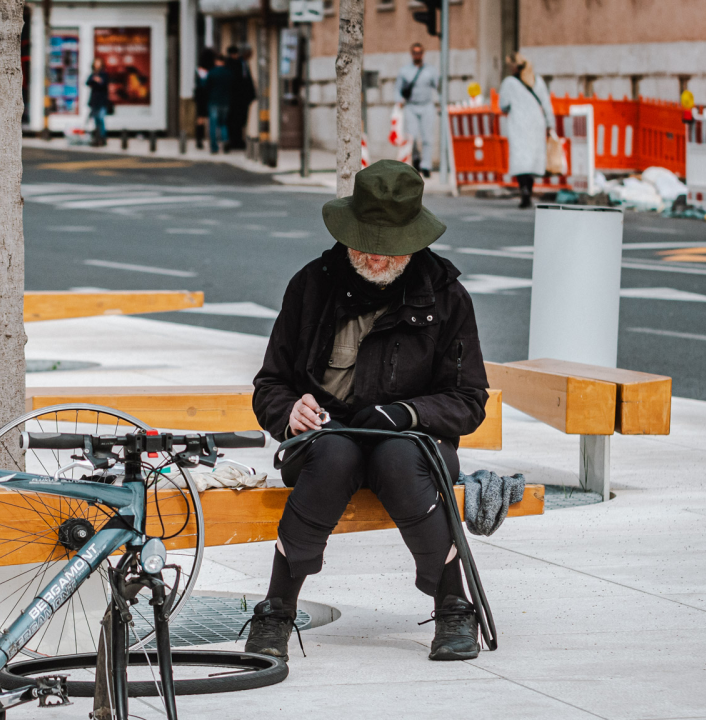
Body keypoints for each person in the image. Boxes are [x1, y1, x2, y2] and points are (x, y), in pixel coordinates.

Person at [243, 160, 490, 663]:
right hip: (325, 439)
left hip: (412, 440)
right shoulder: (312, 285)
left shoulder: (446, 297)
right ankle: (277, 612)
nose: (375, 259)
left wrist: (407, 414)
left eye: (389, 248)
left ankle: (453, 607)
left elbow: (469, 400)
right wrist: (291, 410)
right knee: (335, 457)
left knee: (397, 460)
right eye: (365, 245)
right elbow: (270, 383)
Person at [499, 52, 555, 208]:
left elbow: (503, 104)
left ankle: (523, 190)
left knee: (520, 159)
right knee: (531, 160)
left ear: (515, 67)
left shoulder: (509, 82)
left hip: (519, 124)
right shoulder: (538, 81)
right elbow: (546, 104)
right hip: (537, 124)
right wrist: (550, 125)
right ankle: (528, 190)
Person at [397, 43, 439, 177]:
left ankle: (426, 165)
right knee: (412, 137)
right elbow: (397, 88)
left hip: (427, 106)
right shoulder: (405, 71)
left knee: (427, 138)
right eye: (415, 52)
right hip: (411, 106)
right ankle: (416, 158)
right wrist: (399, 102)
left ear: (423, 53)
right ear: (411, 54)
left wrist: (440, 103)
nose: (417, 55)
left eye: (419, 52)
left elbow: (438, 87)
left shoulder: (430, 70)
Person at [226, 46, 256, 151]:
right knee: (235, 120)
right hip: (236, 98)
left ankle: (238, 140)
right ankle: (235, 141)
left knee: (240, 120)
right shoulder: (233, 64)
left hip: (242, 98)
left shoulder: (243, 63)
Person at [205, 53, 234, 154]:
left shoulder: (212, 73)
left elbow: (206, 87)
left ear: (216, 61)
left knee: (213, 124)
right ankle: (225, 141)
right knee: (223, 124)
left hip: (213, 101)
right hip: (225, 101)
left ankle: (214, 147)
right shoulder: (229, 73)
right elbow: (232, 88)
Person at [86, 58, 113, 146]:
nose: (97, 65)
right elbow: (88, 82)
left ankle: (102, 138)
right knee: (96, 120)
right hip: (94, 101)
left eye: (98, 63)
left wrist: (98, 80)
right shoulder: (93, 74)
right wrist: (95, 80)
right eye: (96, 63)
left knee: (101, 119)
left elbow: (103, 84)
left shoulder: (104, 74)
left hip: (102, 101)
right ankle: (97, 137)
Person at [192, 49, 214, 150]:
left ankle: (199, 140)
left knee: (200, 118)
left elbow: (196, 83)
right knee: (211, 118)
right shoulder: (213, 70)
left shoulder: (198, 70)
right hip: (210, 95)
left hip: (200, 96)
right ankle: (212, 139)